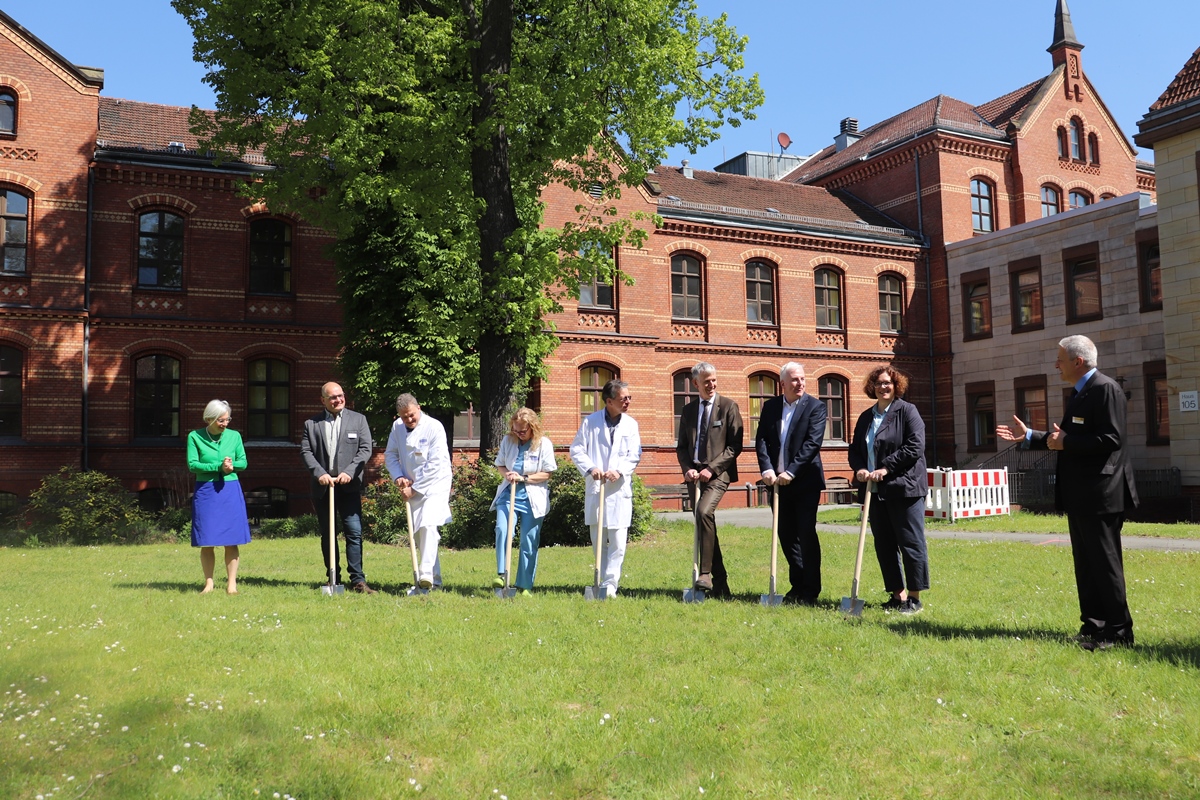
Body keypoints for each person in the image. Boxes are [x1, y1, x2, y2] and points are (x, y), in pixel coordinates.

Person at [997, 334, 1138, 651]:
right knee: (1086, 565)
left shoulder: (1105, 389)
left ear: (1078, 361)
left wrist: (1066, 443)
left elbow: (1111, 439)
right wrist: (1031, 436)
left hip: (1102, 494)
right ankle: (1094, 626)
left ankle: (1118, 633)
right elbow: (1067, 437)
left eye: (1060, 358)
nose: (1055, 364)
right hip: (1082, 494)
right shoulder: (1080, 392)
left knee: (1104, 564)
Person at [847, 365, 929, 614]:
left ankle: (914, 598)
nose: (884, 387)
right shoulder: (866, 417)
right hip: (875, 490)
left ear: (896, 386)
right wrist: (860, 469)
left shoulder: (907, 411)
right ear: (872, 387)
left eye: (888, 383)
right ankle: (897, 595)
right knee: (884, 544)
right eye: (880, 383)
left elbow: (915, 446)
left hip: (905, 488)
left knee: (910, 542)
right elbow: (856, 450)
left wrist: (885, 468)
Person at [755, 361, 827, 605]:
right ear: (782, 383)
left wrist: (792, 471)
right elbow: (762, 439)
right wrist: (766, 468)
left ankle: (811, 591)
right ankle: (797, 585)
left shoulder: (815, 407)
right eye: (795, 380)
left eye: (803, 379)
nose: (800, 383)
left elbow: (812, 444)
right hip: (776, 484)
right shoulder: (771, 407)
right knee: (786, 535)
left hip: (805, 482)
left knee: (806, 534)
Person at [675, 362, 743, 598]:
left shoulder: (728, 407)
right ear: (696, 384)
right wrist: (687, 469)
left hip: (718, 474)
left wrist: (711, 469)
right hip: (694, 477)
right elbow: (682, 447)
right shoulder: (689, 411)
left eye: (714, 380)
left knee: (703, 513)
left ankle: (705, 574)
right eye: (706, 381)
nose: (712, 384)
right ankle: (721, 585)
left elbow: (735, 446)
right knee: (706, 524)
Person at [300, 382, 376, 594]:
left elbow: (365, 449)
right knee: (328, 533)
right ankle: (332, 577)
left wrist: (349, 472)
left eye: (340, 395)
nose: (338, 400)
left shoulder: (358, 420)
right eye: (332, 397)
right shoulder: (311, 424)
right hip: (323, 488)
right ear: (322, 400)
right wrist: (320, 473)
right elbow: (306, 452)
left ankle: (358, 580)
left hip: (348, 487)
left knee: (354, 532)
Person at [570, 379, 642, 597]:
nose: (628, 401)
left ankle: (611, 584)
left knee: (619, 541)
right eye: (624, 398)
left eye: (629, 397)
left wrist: (619, 470)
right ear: (609, 401)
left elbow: (635, 455)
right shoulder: (590, 422)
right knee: (598, 540)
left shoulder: (631, 424)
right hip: (597, 487)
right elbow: (577, 450)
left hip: (618, 488)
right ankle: (600, 580)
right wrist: (591, 468)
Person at [385, 393, 452, 590]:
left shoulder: (434, 427)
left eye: (412, 415)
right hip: (410, 484)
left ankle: (425, 575)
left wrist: (414, 489)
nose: (409, 419)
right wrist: (398, 477)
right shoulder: (397, 427)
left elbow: (436, 463)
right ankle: (435, 580)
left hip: (435, 483)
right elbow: (390, 454)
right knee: (421, 534)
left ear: (419, 408)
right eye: (404, 416)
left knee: (429, 525)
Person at [489, 408, 557, 594]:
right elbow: (500, 464)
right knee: (503, 529)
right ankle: (502, 574)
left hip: (532, 497)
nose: (518, 434)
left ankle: (525, 584)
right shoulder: (508, 440)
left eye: (522, 431)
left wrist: (524, 478)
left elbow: (548, 473)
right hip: (508, 494)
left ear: (532, 427)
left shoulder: (544, 444)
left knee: (529, 540)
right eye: (515, 430)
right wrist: (508, 475)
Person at [187, 399, 251, 594]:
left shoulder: (234, 436)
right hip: (206, 491)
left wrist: (233, 467)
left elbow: (243, 462)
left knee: (231, 539)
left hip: (229, 489)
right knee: (207, 539)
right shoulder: (194, 437)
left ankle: (232, 584)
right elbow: (192, 464)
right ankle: (209, 583)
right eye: (220, 420)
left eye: (227, 419)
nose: (225, 424)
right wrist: (217, 467)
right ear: (209, 419)